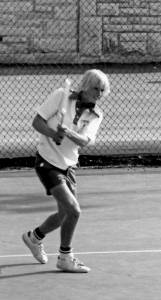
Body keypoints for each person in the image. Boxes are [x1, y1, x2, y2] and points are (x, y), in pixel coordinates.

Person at [22, 69, 110, 273]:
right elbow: (37, 122)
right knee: (74, 210)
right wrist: (54, 134)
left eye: (102, 90)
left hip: (69, 165)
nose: (98, 93)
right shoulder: (61, 95)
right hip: (47, 161)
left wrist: (68, 132)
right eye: (95, 88)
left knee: (64, 215)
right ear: (86, 85)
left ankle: (34, 238)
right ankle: (65, 256)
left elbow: (85, 141)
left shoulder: (96, 114)